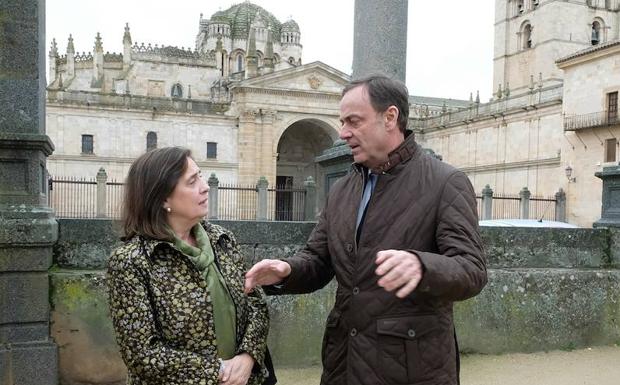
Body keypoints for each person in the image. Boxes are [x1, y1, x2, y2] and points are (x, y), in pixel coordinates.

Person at [245, 75, 487, 385]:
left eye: (353, 121)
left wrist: (422, 265)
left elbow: (472, 269)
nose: (343, 133)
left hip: (411, 368)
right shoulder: (343, 189)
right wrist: (286, 270)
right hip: (343, 363)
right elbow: (318, 260)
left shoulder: (445, 182)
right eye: (342, 121)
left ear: (390, 117)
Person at [107, 147, 275, 385]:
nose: (205, 186)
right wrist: (219, 372)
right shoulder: (132, 261)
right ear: (163, 198)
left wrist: (247, 358)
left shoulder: (222, 240)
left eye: (201, 176)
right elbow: (142, 354)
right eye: (192, 181)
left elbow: (256, 304)